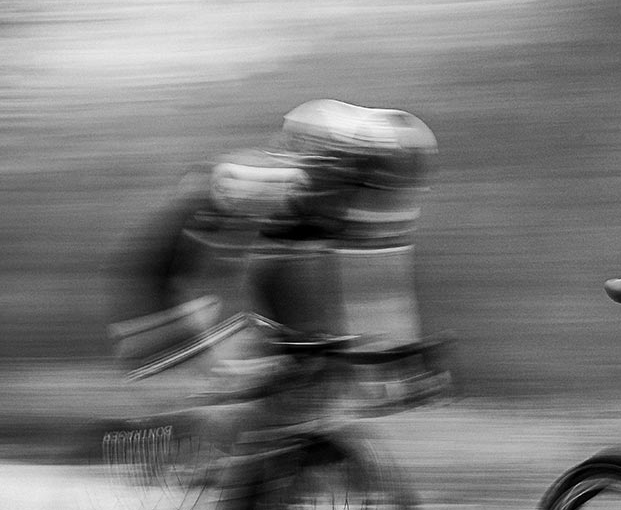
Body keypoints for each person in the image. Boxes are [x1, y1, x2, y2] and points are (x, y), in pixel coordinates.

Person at [108, 98, 438, 368]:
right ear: (348, 170)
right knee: (228, 381)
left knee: (311, 370)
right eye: (379, 187)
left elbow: (381, 290)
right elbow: (218, 274)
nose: (386, 203)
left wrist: (397, 354)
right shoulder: (267, 183)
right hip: (163, 276)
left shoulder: (361, 201)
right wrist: (230, 358)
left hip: (248, 267)